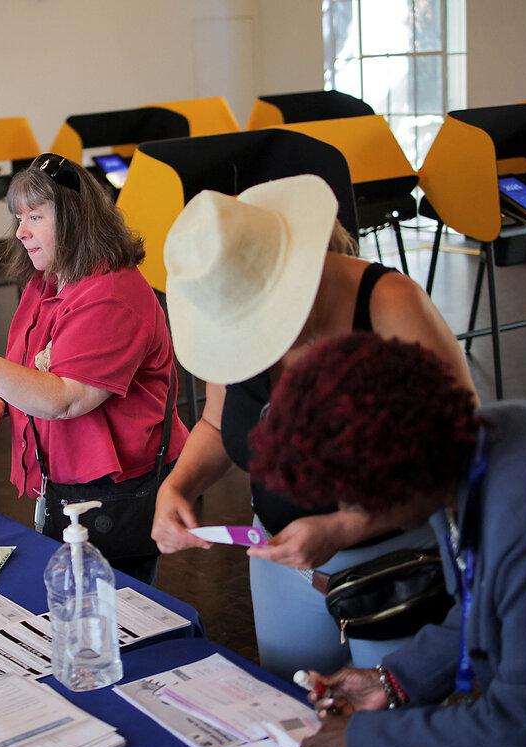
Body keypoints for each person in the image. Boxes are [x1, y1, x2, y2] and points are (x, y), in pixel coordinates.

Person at [152, 176, 476, 678]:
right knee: (298, 712)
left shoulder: (388, 304)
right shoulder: (229, 317)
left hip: (396, 560)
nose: (267, 343)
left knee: (394, 723)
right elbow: (218, 423)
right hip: (280, 558)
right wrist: (177, 486)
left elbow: (462, 451)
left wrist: (348, 525)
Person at [251, 333, 526, 747]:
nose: (352, 513)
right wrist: (392, 681)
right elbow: (484, 603)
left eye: (354, 499)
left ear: (395, 477)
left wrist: (361, 742)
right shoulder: (467, 452)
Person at [0, 154, 187, 584]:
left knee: (110, 613)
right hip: (65, 481)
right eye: (19, 217)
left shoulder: (111, 295)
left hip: (113, 491)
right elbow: (30, 362)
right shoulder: (48, 279)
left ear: (75, 219)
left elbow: (66, 399)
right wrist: (0, 397)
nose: (21, 231)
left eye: (35, 216)